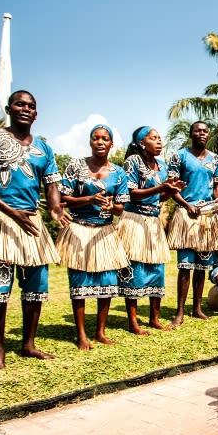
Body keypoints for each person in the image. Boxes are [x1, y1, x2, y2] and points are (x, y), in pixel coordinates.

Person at [0, 90, 70, 370]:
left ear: (36, 113)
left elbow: (51, 183)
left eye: (31, 106)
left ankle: (28, 344)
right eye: (20, 104)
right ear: (9, 108)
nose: (25, 108)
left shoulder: (44, 148)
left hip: (31, 221)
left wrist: (56, 208)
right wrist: (9, 210)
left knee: (35, 287)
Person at [55, 124, 131, 349]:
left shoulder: (119, 172)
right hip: (79, 230)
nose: (100, 142)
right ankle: (81, 334)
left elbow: (121, 208)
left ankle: (100, 331)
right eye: (95, 138)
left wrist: (111, 206)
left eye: (104, 139)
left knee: (107, 282)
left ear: (111, 144)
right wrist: (89, 200)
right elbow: (63, 199)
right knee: (79, 284)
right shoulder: (75, 166)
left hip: (105, 232)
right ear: (90, 142)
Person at [117, 126, 184, 334]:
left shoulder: (162, 166)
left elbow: (161, 198)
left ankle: (154, 318)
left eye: (159, 138)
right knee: (135, 269)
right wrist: (160, 188)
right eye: (153, 138)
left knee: (157, 270)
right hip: (134, 220)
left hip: (154, 223)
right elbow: (129, 193)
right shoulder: (133, 161)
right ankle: (133, 322)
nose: (158, 142)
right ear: (141, 143)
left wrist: (171, 191)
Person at [166, 121, 218, 327]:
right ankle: (179, 312)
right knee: (185, 266)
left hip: (208, 216)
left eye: (205, 131)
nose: (201, 133)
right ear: (191, 133)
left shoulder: (216, 159)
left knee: (202, 266)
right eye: (197, 130)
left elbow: (216, 188)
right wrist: (187, 204)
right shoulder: (179, 156)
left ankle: (196, 308)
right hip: (186, 215)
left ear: (209, 134)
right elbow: (172, 188)